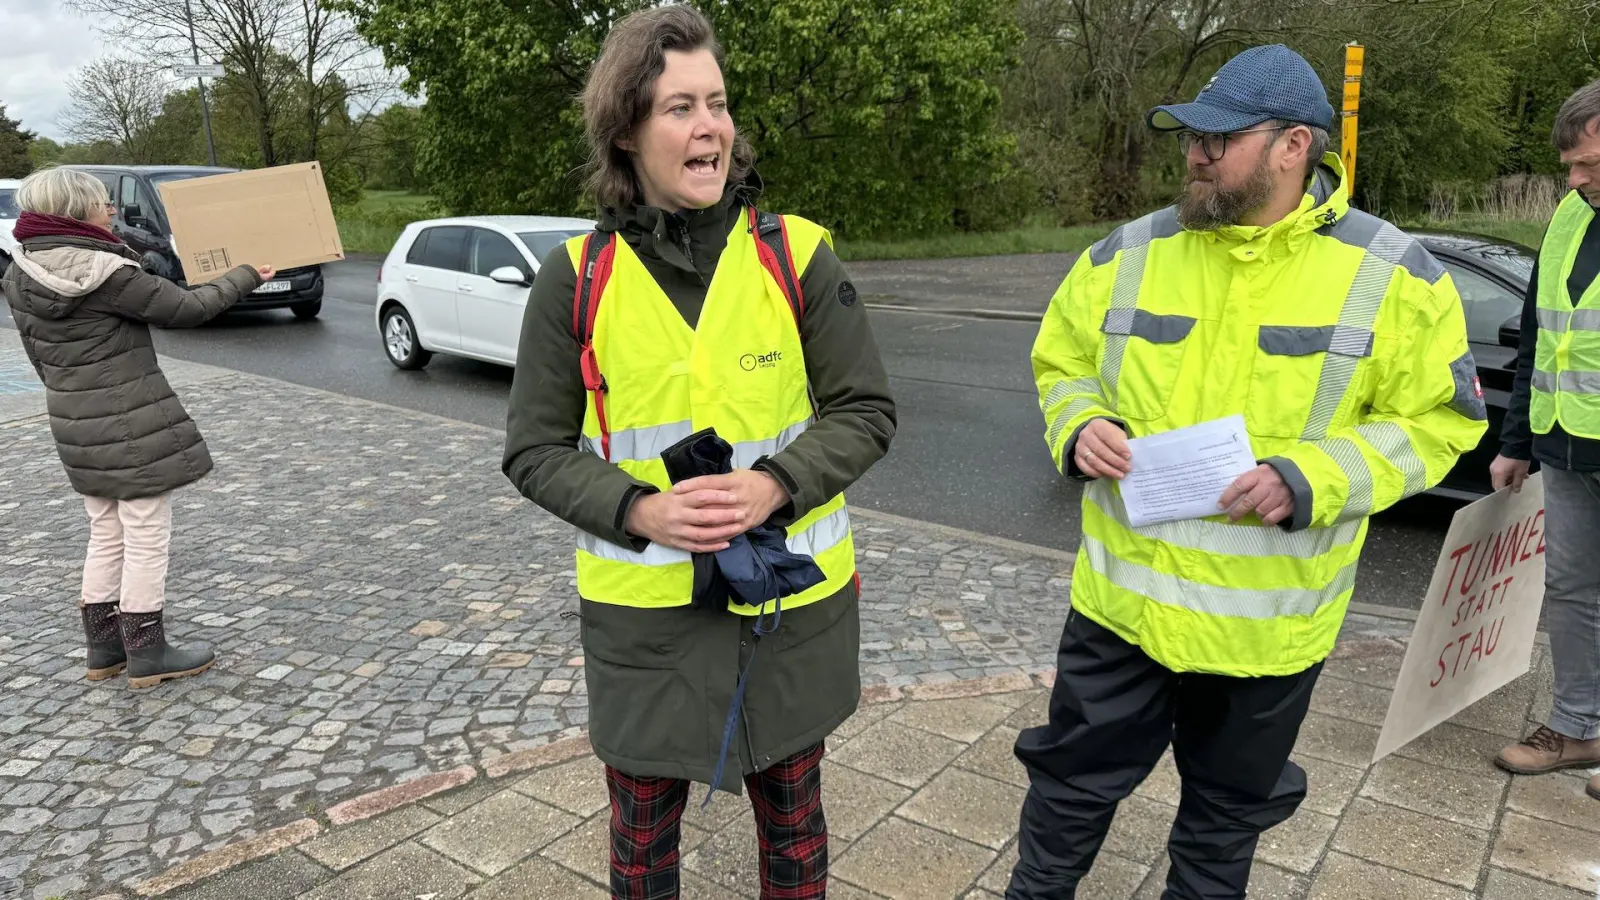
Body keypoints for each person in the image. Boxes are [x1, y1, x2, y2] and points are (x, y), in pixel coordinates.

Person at [1010, 45, 1488, 898]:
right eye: (1191, 138)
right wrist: (1080, 424)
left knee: (1223, 824)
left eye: (1218, 139)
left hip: (1268, 633)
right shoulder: (1126, 252)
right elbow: (1063, 361)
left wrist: (1312, 477)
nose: (1195, 155)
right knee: (1067, 794)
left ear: (1294, 146)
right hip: (1122, 613)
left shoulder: (1393, 276)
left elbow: (1441, 420)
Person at [500, 6, 895, 898]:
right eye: (680, 108)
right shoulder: (576, 279)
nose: (709, 126)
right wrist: (639, 509)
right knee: (642, 852)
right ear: (627, 132)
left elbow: (866, 410)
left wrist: (775, 485)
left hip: (787, 607)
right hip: (647, 628)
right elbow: (534, 449)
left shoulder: (799, 257)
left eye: (716, 103)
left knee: (795, 835)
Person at [2, 166, 271, 689]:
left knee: (106, 529)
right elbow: (189, 308)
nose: (110, 209)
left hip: (74, 421)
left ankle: (104, 649)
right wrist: (246, 275)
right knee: (146, 531)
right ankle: (148, 653)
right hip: (131, 420)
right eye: (101, 202)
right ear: (76, 211)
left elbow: (39, 360)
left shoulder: (19, 271)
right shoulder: (107, 272)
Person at [1489, 77, 1600, 803]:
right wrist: (1516, 441)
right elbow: (1540, 335)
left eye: (1590, 164)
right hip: (1566, 444)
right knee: (1572, 589)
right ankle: (1578, 726)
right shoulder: (1569, 215)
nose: (1576, 179)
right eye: (1570, 166)